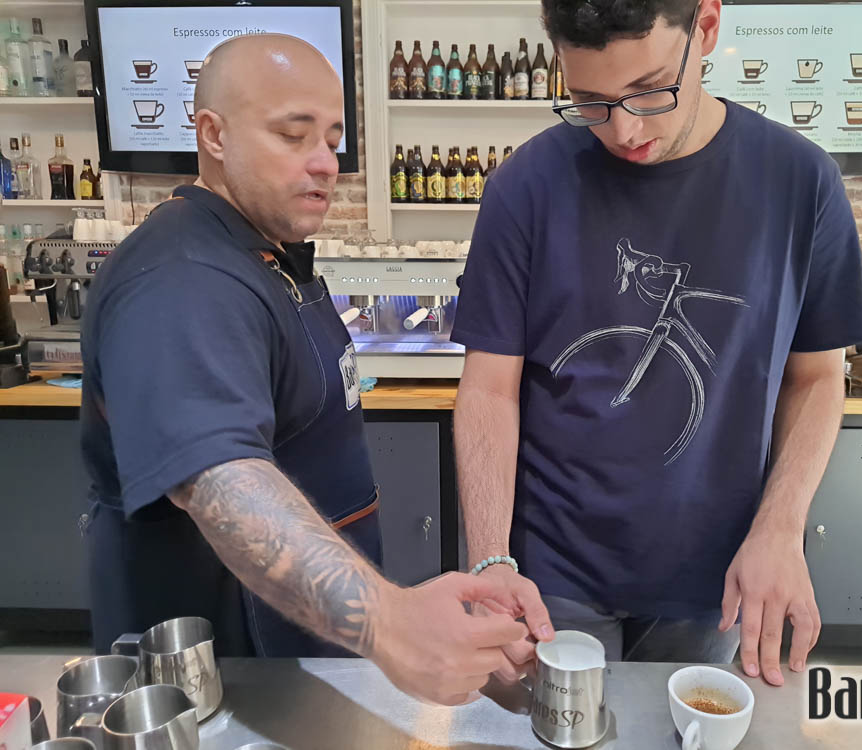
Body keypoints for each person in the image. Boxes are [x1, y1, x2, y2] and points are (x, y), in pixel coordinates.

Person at [80, 34, 551, 706]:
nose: (325, 163)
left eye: (332, 139)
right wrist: (391, 623)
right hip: (220, 678)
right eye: (292, 135)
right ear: (213, 135)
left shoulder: (261, 253)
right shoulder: (182, 278)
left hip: (300, 655)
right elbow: (220, 478)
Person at [451, 0, 862, 687]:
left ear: (705, 28)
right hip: (552, 570)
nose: (623, 129)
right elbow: (488, 390)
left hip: (719, 569)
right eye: (589, 101)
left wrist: (780, 526)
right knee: (558, 727)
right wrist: (490, 559)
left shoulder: (802, 182)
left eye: (649, 90)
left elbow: (817, 378)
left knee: (686, 731)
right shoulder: (524, 186)